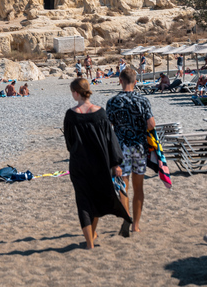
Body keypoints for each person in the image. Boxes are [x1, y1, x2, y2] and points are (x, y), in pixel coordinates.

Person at [64, 78, 132, 249]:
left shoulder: (71, 115)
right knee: (96, 198)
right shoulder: (100, 113)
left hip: (79, 165)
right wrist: (116, 164)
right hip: (100, 164)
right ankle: (92, 237)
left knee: (83, 202)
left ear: (76, 93)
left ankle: (89, 243)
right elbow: (111, 140)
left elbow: (69, 144)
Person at [106, 67, 155, 234]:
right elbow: (151, 124)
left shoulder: (112, 102)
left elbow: (108, 128)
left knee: (123, 185)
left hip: (121, 148)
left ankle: (126, 217)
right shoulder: (143, 101)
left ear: (120, 81)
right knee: (139, 187)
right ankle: (136, 225)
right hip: (139, 147)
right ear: (136, 81)